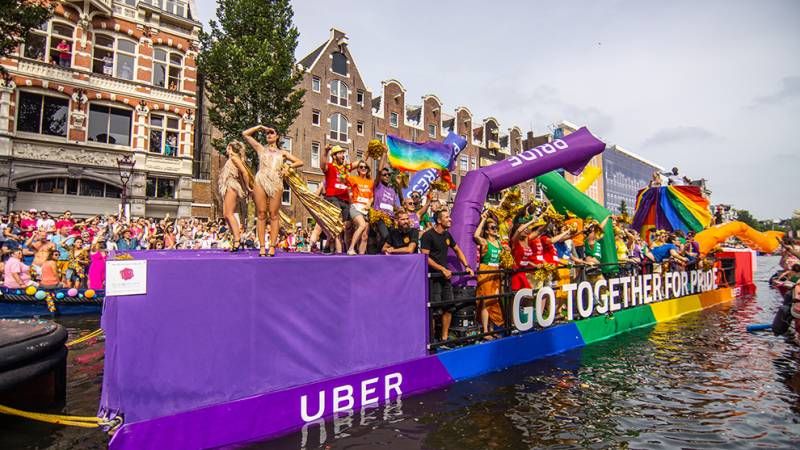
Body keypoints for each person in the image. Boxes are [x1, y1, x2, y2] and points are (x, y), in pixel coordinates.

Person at [242, 124, 303, 257]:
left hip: (276, 182)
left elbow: (300, 162)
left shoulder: (282, 153)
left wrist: (288, 167)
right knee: (261, 213)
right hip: (261, 180)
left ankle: (272, 246)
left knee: (274, 214)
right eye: (267, 133)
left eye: (272, 132)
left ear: (277, 136)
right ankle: (262, 246)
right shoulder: (260, 149)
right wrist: (259, 127)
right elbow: (245, 134)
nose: (269, 135)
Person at [420, 209, 474, 343]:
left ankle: (444, 339)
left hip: (446, 277)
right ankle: (431, 341)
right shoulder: (428, 236)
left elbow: (457, 250)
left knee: (449, 307)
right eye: (447, 217)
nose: (450, 219)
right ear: (439, 220)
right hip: (433, 277)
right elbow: (425, 257)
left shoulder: (447, 235)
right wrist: (442, 269)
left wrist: (467, 266)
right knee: (433, 310)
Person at [218, 140, 254, 252]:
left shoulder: (234, 158)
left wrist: (247, 186)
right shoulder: (233, 159)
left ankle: (237, 239)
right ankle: (236, 237)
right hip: (229, 185)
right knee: (226, 214)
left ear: (229, 147)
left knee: (229, 214)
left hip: (232, 185)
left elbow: (244, 172)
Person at [473, 212, 503, 338]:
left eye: (496, 227)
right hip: (486, 272)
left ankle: (491, 328)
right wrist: (483, 220)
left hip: (497, 273)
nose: (495, 229)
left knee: (494, 301)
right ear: (486, 231)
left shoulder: (499, 243)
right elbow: (475, 236)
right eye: (492, 227)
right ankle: (485, 331)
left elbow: (501, 259)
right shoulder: (484, 242)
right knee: (486, 301)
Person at [320, 144, 352, 254]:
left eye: (343, 153)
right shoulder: (330, 166)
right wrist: (325, 151)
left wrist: (368, 154)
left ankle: (328, 244)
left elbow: (359, 164)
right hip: (333, 198)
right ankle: (339, 253)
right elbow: (322, 165)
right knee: (338, 225)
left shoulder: (346, 168)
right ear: (334, 156)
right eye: (340, 153)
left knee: (343, 227)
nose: (343, 155)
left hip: (345, 201)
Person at [346, 160, 374, 255]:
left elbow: (372, 196)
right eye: (361, 167)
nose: (363, 168)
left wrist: (369, 203)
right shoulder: (353, 179)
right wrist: (355, 163)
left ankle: (361, 255)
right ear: (357, 169)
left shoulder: (371, 182)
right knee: (361, 225)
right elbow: (344, 171)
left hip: (366, 210)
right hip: (355, 207)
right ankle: (351, 248)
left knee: (365, 235)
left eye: (365, 167)